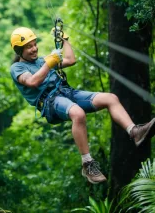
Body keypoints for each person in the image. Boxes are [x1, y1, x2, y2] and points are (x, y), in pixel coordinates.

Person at [9, 27, 155, 184]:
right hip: (51, 102)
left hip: (66, 93)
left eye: (34, 44)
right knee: (77, 114)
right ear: (19, 50)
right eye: (29, 47)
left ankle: (135, 132)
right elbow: (32, 82)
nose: (34, 49)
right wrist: (51, 62)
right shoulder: (17, 68)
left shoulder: (41, 61)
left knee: (110, 98)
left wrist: (64, 39)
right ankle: (87, 164)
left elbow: (71, 60)